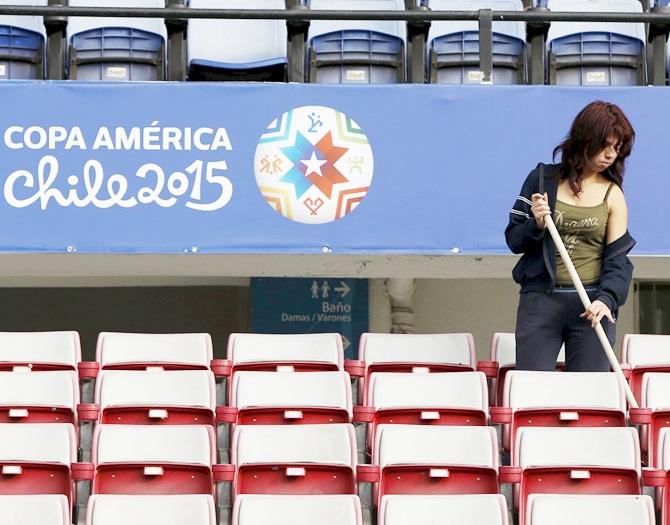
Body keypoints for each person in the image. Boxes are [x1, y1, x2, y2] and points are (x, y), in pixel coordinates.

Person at [505, 101, 636, 372]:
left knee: (590, 400)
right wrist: (536, 224)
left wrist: (606, 300)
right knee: (532, 395)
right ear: (585, 139)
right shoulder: (541, 180)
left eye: (617, 148)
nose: (610, 155)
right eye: (605, 145)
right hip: (541, 300)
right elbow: (514, 239)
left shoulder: (613, 195)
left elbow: (619, 261)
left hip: (592, 305)